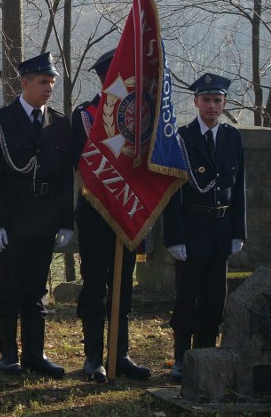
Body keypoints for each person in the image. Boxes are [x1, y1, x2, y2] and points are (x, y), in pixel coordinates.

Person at [0, 52, 74, 378]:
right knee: (9, 288)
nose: (49, 88)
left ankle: (35, 353)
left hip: (45, 220)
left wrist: (65, 221)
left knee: (35, 289)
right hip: (12, 221)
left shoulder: (60, 124)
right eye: (43, 82)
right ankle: (8, 355)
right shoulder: (0, 121)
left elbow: (64, 179)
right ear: (25, 83)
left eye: (52, 82)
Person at [71, 49, 151, 382]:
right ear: (106, 81)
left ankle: (120, 353)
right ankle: (93, 358)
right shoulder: (85, 116)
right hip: (95, 214)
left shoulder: (143, 121)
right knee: (94, 285)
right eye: (117, 80)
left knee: (123, 287)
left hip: (129, 212)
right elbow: (81, 165)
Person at [162, 72, 246, 382]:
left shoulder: (232, 137)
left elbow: (238, 190)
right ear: (196, 101)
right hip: (191, 227)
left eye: (217, 100)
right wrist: (174, 236)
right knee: (187, 298)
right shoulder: (181, 139)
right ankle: (182, 359)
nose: (212, 106)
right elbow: (171, 193)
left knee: (214, 299)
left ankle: (207, 358)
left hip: (221, 229)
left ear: (224, 103)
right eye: (207, 100)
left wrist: (239, 231)